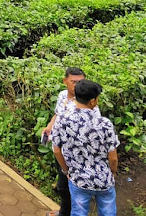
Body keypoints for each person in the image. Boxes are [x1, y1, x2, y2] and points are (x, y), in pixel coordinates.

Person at [52, 80, 119, 216]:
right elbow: (113, 157)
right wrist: (113, 172)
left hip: (78, 179)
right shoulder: (105, 123)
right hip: (103, 180)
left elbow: (56, 150)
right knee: (108, 212)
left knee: (79, 212)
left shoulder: (63, 120)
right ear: (93, 101)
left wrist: (66, 171)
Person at [42, 68, 100, 216]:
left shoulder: (88, 105)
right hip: (59, 149)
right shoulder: (62, 95)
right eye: (74, 82)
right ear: (65, 81)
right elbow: (57, 114)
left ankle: (65, 213)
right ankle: (65, 210)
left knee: (69, 187)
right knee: (64, 184)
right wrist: (49, 127)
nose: (77, 85)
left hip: (75, 155)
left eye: (80, 82)